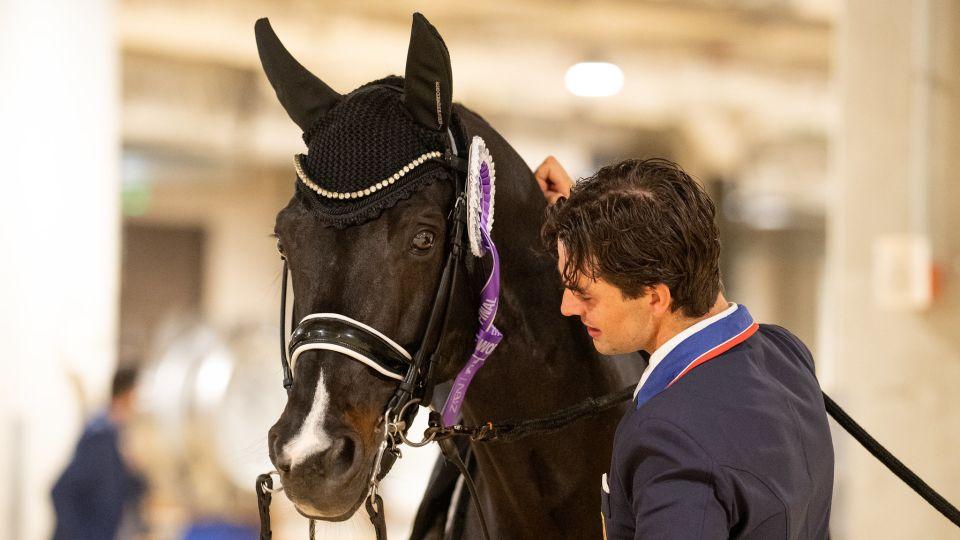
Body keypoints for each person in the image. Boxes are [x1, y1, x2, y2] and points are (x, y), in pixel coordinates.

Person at [535, 156, 834, 539]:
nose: (567, 307)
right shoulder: (785, 354)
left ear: (655, 297)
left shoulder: (668, 441)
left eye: (584, 293)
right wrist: (587, 222)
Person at [51, 366, 148, 540]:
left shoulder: (121, 439)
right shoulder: (99, 436)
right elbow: (61, 491)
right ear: (128, 395)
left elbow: (121, 491)